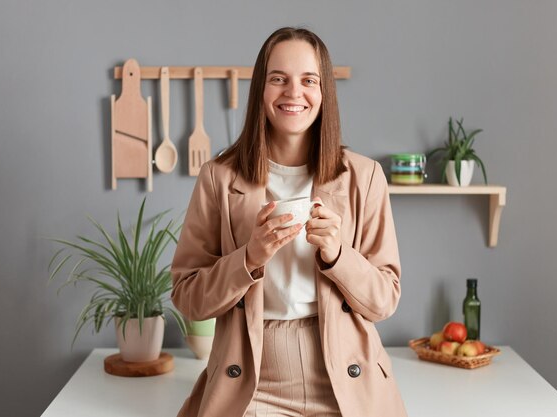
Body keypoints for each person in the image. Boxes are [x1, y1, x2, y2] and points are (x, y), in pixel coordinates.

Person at [171, 27, 407, 417]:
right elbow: (187, 296)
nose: (293, 93)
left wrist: (338, 256)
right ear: (260, 90)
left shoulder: (364, 176)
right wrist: (248, 258)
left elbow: (384, 300)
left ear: (324, 92)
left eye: (308, 80)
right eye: (278, 79)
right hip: (252, 381)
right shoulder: (219, 177)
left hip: (344, 378)